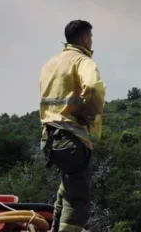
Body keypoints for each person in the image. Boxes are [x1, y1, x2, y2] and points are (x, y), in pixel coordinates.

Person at [39, 20, 107, 232]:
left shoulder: (50, 64)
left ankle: (55, 228)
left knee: (67, 188)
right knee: (77, 198)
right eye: (91, 38)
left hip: (50, 139)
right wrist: (88, 112)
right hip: (73, 137)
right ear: (85, 38)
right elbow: (94, 89)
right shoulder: (82, 61)